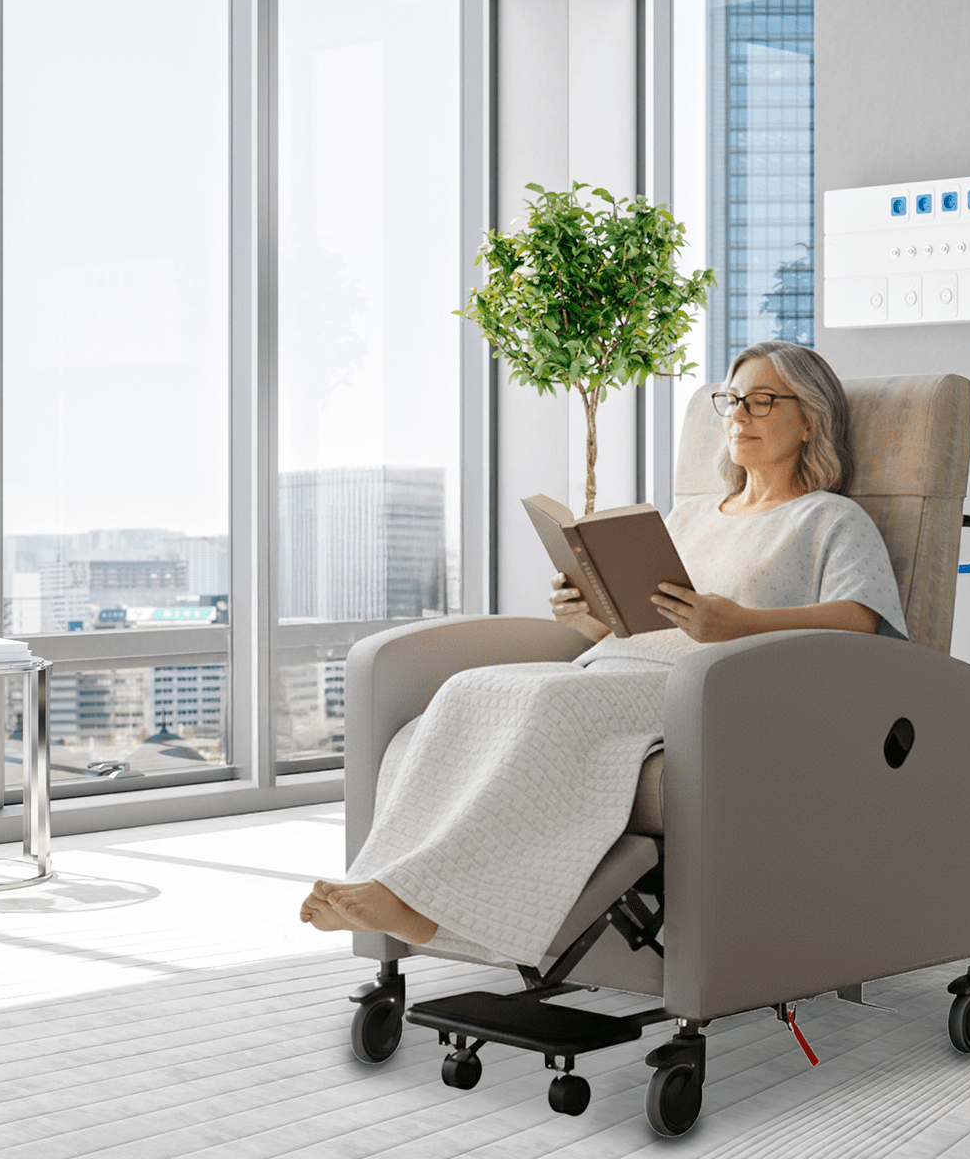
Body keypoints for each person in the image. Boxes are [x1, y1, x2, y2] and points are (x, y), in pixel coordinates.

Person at [299, 341, 907, 965]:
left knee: (550, 700)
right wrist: (589, 614)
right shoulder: (692, 515)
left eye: (761, 401)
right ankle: (383, 879)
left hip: (706, 684)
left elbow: (863, 621)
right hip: (621, 667)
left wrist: (741, 624)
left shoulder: (831, 520)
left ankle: (425, 905)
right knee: (469, 686)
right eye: (731, 401)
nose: (738, 416)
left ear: (809, 420)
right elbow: (642, 618)